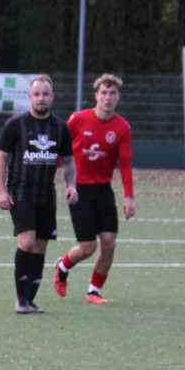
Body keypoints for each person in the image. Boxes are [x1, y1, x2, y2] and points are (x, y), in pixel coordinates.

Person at [0, 75, 77, 314]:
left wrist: (72, 185)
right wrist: (1, 191)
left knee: (40, 245)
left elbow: (69, 161)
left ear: (52, 97)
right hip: (20, 191)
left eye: (45, 94)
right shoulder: (15, 124)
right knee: (27, 241)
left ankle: (30, 300)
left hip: (46, 194)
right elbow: (1, 158)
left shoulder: (60, 127)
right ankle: (20, 300)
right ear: (30, 97)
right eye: (37, 94)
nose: (41, 98)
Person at [54, 73, 135, 304]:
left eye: (112, 93)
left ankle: (94, 291)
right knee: (88, 247)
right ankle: (62, 266)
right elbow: (61, 148)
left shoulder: (122, 126)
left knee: (109, 243)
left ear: (118, 97)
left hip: (103, 190)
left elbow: (125, 163)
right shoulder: (78, 119)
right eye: (104, 93)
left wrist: (129, 196)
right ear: (96, 96)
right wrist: (50, 174)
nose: (108, 97)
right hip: (79, 188)